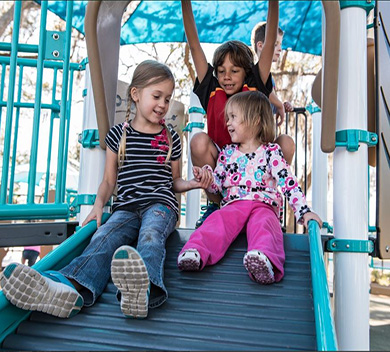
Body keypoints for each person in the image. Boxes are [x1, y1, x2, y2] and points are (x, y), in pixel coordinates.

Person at [0, 60, 212, 319]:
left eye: (167, 99)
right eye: (156, 96)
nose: (163, 105)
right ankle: (68, 287)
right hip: (125, 208)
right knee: (103, 239)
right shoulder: (118, 135)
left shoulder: (171, 137)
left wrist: (191, 184)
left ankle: (142, 291)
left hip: (160, 205)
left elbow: (175, 180)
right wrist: (98, 206)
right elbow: (109, 181)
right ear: (135, 94)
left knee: (151, 235)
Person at [177, 91, 322, 285]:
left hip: (263, 205)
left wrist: (304, 212)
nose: (228, 123)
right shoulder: (227, 153)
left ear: (254, 120)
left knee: (265, 225)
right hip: (234, 205)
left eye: (233, 117)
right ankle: (196, 251)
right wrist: (206, 178)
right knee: (216, 221)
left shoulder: (271, 152)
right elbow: (217, 184)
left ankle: (265, 259)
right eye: (228, 118)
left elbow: (288, 182)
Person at [181, 0, 292, 228]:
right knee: (198, 141)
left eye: (234, 71)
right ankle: (216, 203)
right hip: (225, 164)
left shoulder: (256, 84)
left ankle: (265, 199)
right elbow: (194, 46)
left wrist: (273, 4)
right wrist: (186, 4)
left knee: (287, 143)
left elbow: (269, 41)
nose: (227, 77)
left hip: (257, 163)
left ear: (247, 72)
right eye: (221, 72)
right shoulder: (211, 88)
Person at [252, 22, 295, 165]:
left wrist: (280, 105)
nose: (280, 49)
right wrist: (278, 104)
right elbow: (260, 89)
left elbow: (268, 102)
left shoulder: (270, 78)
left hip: (267, 138)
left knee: (287, 143)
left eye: (280, 44)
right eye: (275, 44)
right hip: (254, 140)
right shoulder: (254, 73)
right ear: (260, 46)